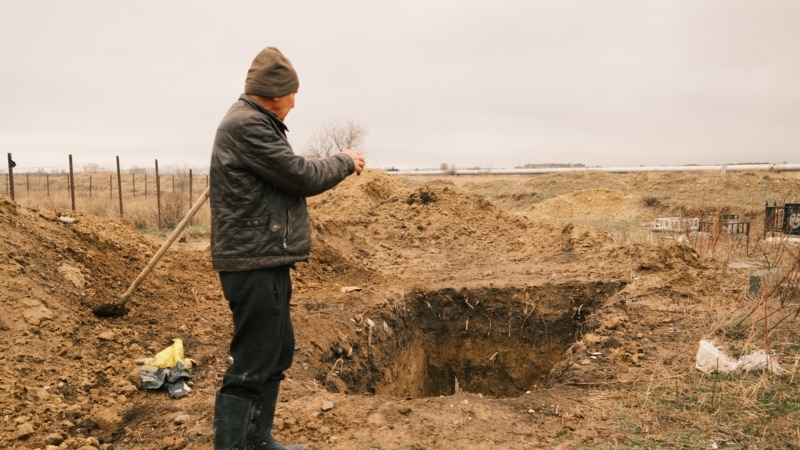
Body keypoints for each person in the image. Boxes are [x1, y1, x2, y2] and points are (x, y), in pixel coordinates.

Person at [209, 46, 365, 450]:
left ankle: (257, 440)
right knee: (254, 360)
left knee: (276, 352)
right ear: (276, 93)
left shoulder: (252, 122)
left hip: (265, 255)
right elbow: (300, 175)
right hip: (252, 260)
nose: (294, 104)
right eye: (293, 95)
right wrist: (344, 161)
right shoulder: (248, 125)